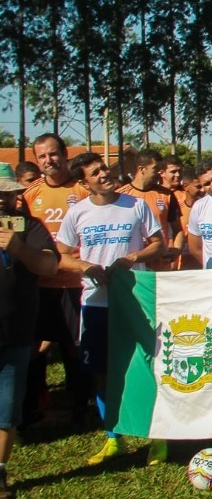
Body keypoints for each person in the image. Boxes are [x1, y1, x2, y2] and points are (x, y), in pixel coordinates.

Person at [54, 153, 163, 466]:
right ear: (84, 183)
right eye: (95, 173)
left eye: (104, 168)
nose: (104, 174)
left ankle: (158, 436)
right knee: (101, 373)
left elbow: (159, 244)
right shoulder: (78, 213)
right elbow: (61, 255)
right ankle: (113, 438)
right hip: (96, 303)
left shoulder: (136, 205)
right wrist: (86, 266)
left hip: (135, 304)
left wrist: (132, 257)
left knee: (147, 368)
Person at [22, 133, 91, 427]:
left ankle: (80, 405)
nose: (48, 161)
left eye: (53, 154)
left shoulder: (83, 191)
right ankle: (35, 405)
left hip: (74, 283)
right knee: (35, 347)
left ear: (65, 155)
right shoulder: (30, 195)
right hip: (40, 285)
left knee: (75, 347)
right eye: (42, 157)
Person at [0, 166, 58, 498]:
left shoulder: (29, 227)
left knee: (6, 410)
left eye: (7, 193)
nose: (2, 200)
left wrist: (20, 248)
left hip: (17, 333)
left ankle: (1, 472)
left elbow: (49, 266)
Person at [117, 150, 182, 270]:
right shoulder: (120, 195)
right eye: (155, 168)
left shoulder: (166, 195)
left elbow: (178, 229)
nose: (159, 173)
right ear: (142, 169)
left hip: (160, 266)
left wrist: (176, 250)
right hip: (131, 266)